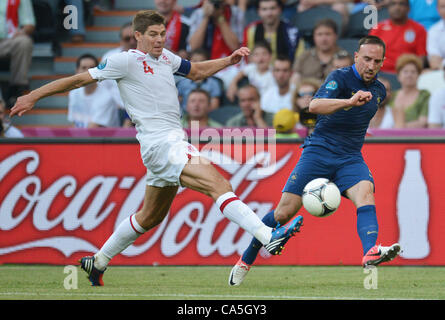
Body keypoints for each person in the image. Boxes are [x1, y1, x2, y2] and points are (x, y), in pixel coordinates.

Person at [10, 10, 302, 286]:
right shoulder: (124, 61)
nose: (160, 39)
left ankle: (98, 261)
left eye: (162, 33)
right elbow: (77, 79)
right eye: (153, 34)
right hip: (162, 143)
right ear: (138, 35)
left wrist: (229, 60)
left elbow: (197, 71)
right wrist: (33, 95)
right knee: (218, 184)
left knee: (150, 216)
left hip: (166, 144)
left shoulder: (166, 58)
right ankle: (267, 236)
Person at [228, 35, 401, 286]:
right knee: (284, 212)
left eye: (376, 61)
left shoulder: (379, 91)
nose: (370, 65)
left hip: (349, 157)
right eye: (366, 59)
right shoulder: (339, 77)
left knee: (366, 193)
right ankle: (246, 259)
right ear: (356, 57)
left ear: (383, 62)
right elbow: (315, 105)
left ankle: (370, 251)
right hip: (318, 151)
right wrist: (349, 102)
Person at [369, 0, 427, 73]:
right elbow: (369, 56)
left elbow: (421, 58)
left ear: (408, 8)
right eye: (393, 4)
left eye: (401, 4)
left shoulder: (419, 29)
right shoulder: (378, 29)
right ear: (388, 8)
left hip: (406, 75)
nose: (397, 7)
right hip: (380, 74)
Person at [68, 54, 122, 128]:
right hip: (82, 137)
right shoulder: (73, 93)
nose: (88, 72)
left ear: (98, 71)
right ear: (77, 71)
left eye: (92, 68)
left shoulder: (107, 97)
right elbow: (74, 123)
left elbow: (93, 128)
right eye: (83, 68)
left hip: (104, 138)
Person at [0, 0, 35, 107]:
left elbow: (29, 25)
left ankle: (17, 89)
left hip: (7, 41)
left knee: (24, 42)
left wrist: (22, 32)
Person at [293, 19, 344, 85]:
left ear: (335, 36)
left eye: (328, 34)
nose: (323, 39)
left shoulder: (344, 57)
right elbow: (294, 81)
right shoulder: (304, 56)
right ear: (314, 37)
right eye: (319, 34)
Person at [388, 54, 430, 128]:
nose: (409, 75)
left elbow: (423, 122)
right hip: (389, 137)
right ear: (398, 76)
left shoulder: (424, 95)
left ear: (418, 75)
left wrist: (399, 128)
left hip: (417, 137)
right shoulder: (392, 95)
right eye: (405, 72)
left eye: (413, 72)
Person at [426, 0, 445, 70]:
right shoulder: (433, 31)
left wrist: (442, 61)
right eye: (443, 6)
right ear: (438, 9)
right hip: (442, 73)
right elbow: (434, 61)